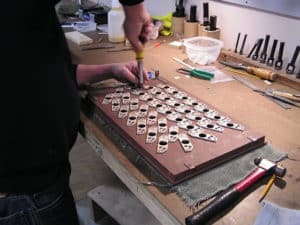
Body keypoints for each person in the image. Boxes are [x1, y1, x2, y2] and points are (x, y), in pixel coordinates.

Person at [0, 0, 152, 224]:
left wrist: (109, 70)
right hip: (24, 197)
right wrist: (135, 11)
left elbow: (40, 70)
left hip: (35, 185)